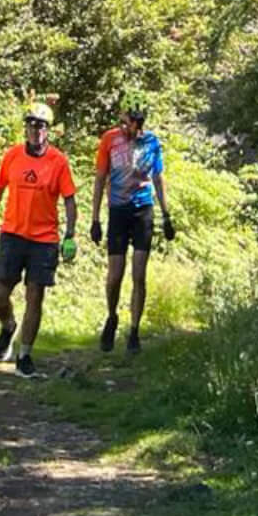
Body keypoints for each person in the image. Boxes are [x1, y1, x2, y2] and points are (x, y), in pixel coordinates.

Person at [0, 101, 77, 377]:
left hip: (44, 239)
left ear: (48, 130)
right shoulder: (12, 156)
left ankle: (24, 355)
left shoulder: (58, 161)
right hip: (12, 233)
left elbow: (70, 200)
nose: (36, 130)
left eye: (42, 125)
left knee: (35, 296)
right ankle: (9, 326)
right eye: (32, 124)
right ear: (25, 127)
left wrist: (70, 235)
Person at [89, 97, 173, 352]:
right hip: (117, 211)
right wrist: (95, 219)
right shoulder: (109, 140)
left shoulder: (152, 142)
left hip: (142, 211)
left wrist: (166, 216)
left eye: (131, 123)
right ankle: (112, 316)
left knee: (139, 274)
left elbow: (158, 178)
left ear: (139, 122)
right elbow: (100, 178)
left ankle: (134, 331)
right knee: (115, 275)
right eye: (123, 122)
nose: (126, 127)